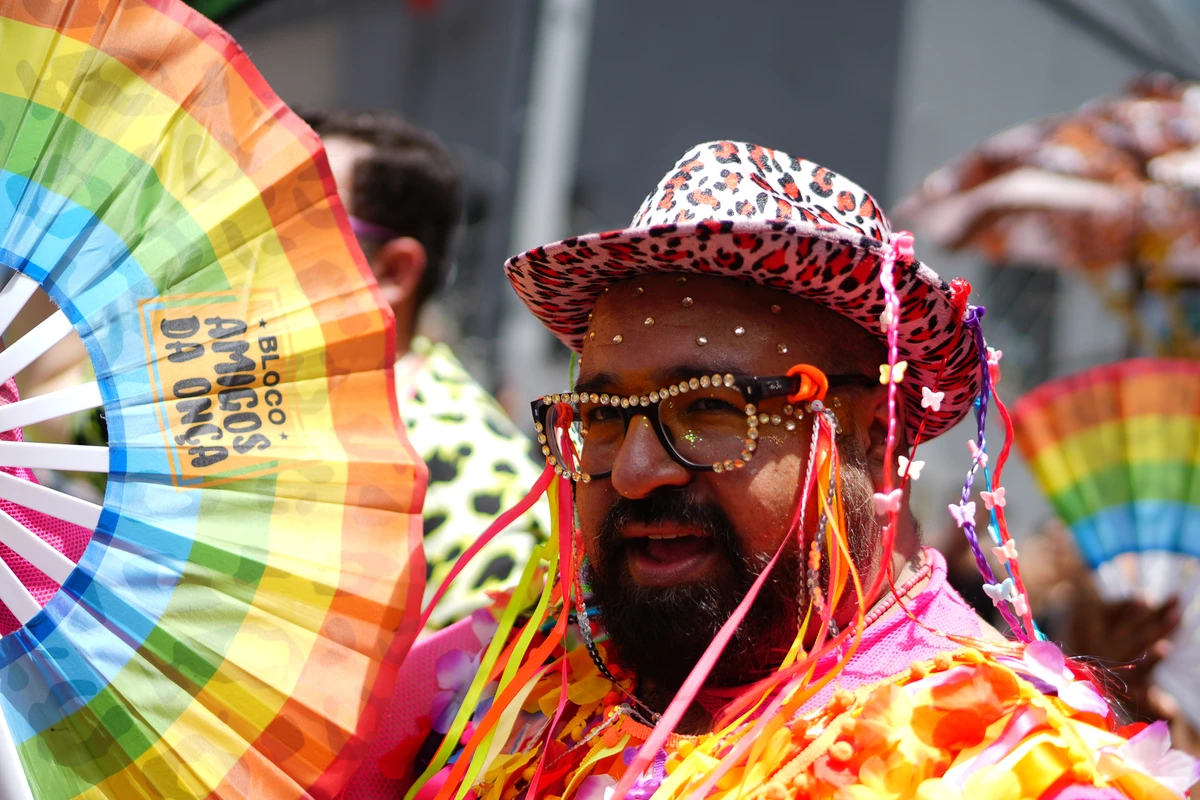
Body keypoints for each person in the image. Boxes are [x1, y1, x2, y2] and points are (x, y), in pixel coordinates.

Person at [343, 142, 1199, 799]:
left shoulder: (1012, 767)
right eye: (602, 414)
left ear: (875, 434)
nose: (636, 470)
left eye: (711, 408)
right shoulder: (482, 689)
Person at [303, 109, 548, 629]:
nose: (251, 247)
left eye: (297, 222)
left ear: (393, 270)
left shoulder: (482, 477)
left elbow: (460, 674)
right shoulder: (187, 402)